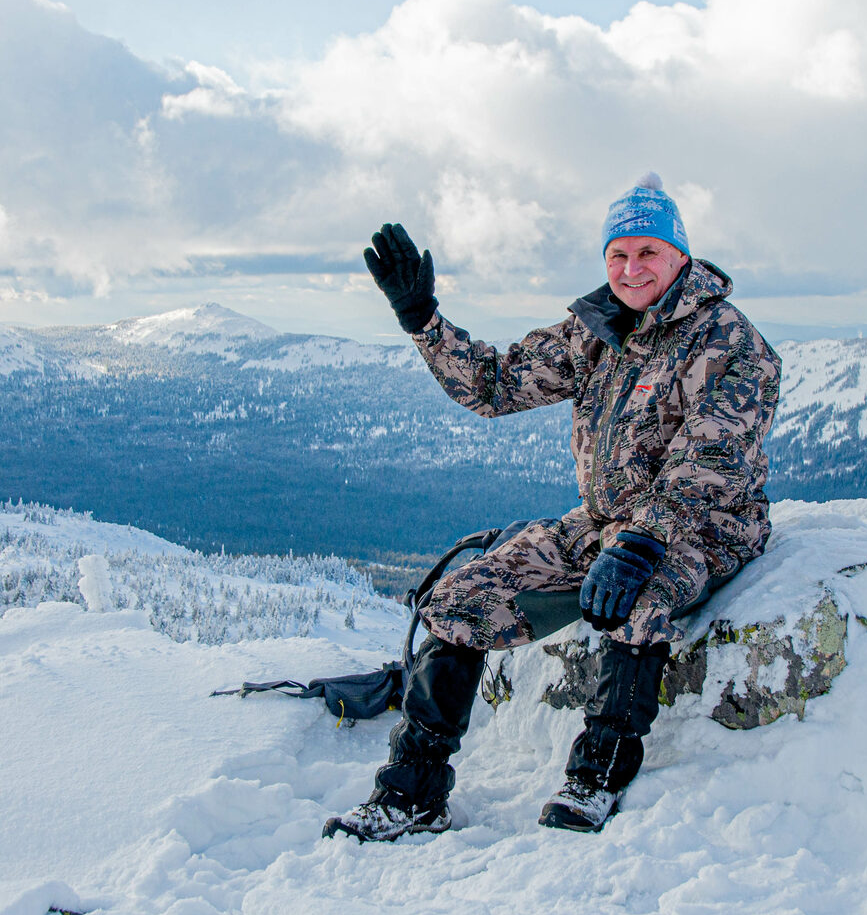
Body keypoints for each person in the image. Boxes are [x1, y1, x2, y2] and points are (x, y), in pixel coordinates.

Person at [324, 173, 781, 840]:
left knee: (637, 598)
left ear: (679, 254)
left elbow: (708, 459)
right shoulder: (596, 331)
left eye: (647, 251)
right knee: (460, 600)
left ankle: (595, 776)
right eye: (617, 255)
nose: (631, 268)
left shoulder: (731, 343)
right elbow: (495, 383)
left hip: (704, 528)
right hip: (603, 524)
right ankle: (413, 792)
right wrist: (422, 319)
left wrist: (640, 542)